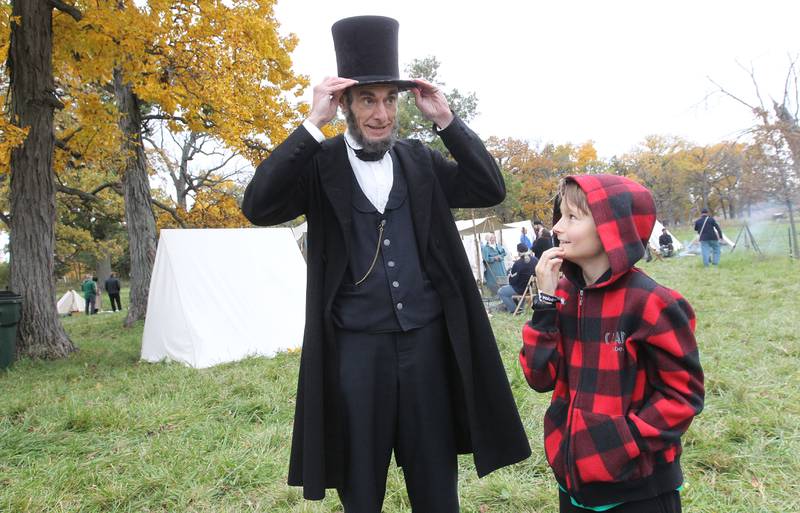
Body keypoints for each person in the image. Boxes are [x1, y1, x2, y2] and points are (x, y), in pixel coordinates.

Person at [241, 15, 530, 512]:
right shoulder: (319, 162)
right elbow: (258, 206)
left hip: (426, 346)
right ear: (345, 105)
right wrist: (311, 124)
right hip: (355, 351)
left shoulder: (421, 161)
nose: (381, 113)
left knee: (437, 483)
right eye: (368, 99)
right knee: (361, 485)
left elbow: (488, 188)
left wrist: (447, 120)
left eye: (389, 100)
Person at [519, 175, 704, 513]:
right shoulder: (562, 295)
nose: (558, 227)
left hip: (638, 490)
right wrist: (544, 302)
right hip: (574, 483)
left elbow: (683, 396)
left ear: (610, 228)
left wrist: (622, 441)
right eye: (560, 216)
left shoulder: (653, 303)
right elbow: (538, 377)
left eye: (572, 217)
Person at [498, 243, 538, 313]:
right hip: (530, 289)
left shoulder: (517, 263)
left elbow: (512, 281)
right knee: (520, 288)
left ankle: (514, 310)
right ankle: (520, 307)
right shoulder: (535, 260)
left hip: (520, 289)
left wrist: (509, 277)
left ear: (518, 252)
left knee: (501, 291)